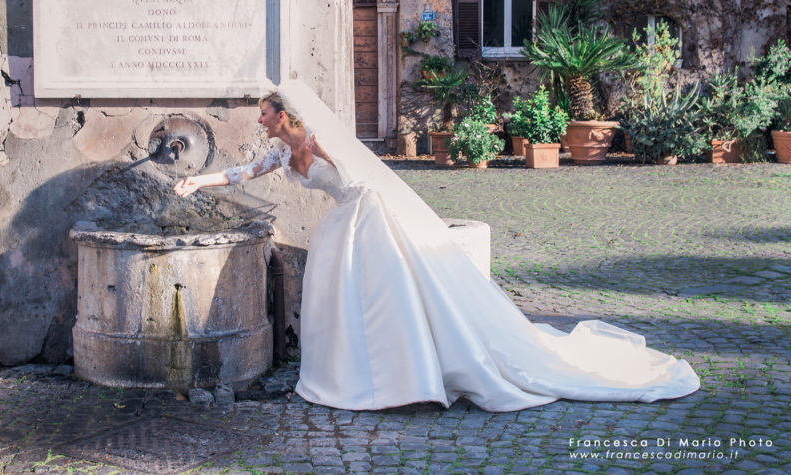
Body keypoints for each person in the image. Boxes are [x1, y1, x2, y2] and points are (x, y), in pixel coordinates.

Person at [174, 82, 699, 411]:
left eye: (264, 112)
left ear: (283, 114)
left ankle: (412, 374)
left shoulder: (318, 142)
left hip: (369, 216)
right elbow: (243, 172)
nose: (259, 118)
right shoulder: (281, 154)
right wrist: (197, 182)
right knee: (339, 306)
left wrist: (377, 211)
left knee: (390, 298)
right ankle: (346, 379)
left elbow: (367, 174)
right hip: (341, 227)